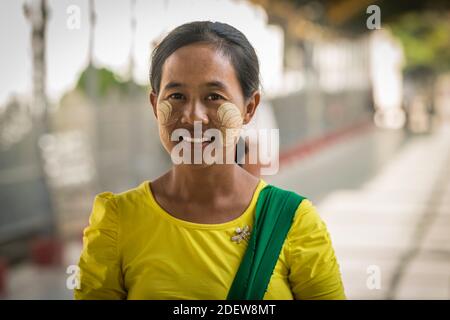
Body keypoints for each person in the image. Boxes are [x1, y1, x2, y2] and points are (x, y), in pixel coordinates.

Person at [75, 21, 346, 300]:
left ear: (249, 108)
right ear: (156, 105)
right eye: (177, 96)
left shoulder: (292, 222)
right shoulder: (117, 221)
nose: (193, 116)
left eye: (214, 96)